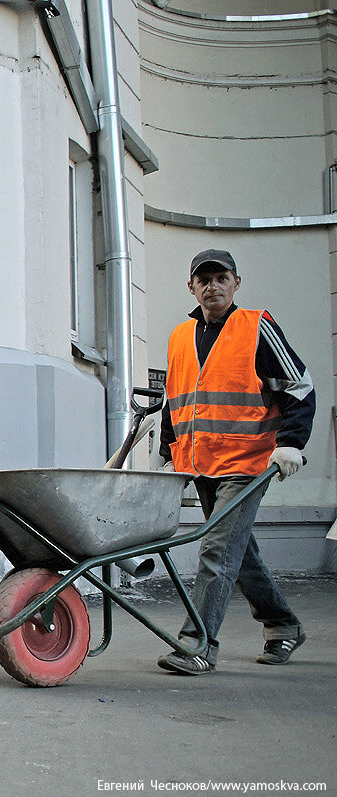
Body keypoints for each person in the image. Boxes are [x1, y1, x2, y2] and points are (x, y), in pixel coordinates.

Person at [156, 249, 314, 675]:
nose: (213, 286)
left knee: (218, 549)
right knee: (237, 554)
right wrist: (169, 455)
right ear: (191, 287)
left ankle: (197, 645)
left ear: (236, 283)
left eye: (221, 277)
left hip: (249, 462)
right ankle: (282, 625)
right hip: (200, 463)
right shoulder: (179, 336)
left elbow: (298, 387)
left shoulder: (257, 327)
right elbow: (175, 402)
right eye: (203, 279)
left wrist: (291, 443)